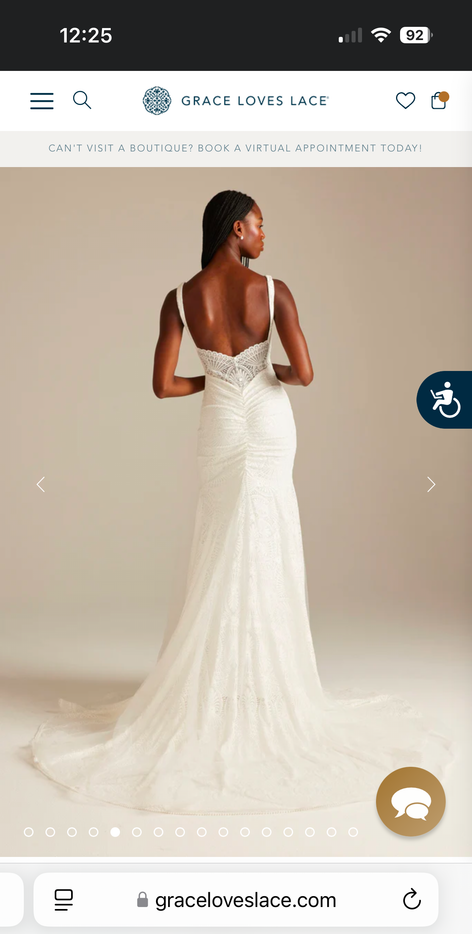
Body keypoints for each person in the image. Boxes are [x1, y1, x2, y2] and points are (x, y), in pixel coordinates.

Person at [31, 190, 451, 814]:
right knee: (267, 540)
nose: (263, 235)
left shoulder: (180, 298)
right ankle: (265, 686)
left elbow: (162, 385)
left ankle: (215, 686)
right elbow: (304, 373)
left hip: (222, 424)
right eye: (259, 224)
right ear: (235, 228)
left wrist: (217, 378)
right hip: (268, 423)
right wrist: (263, 373)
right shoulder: (273, 290)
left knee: (221, 542)